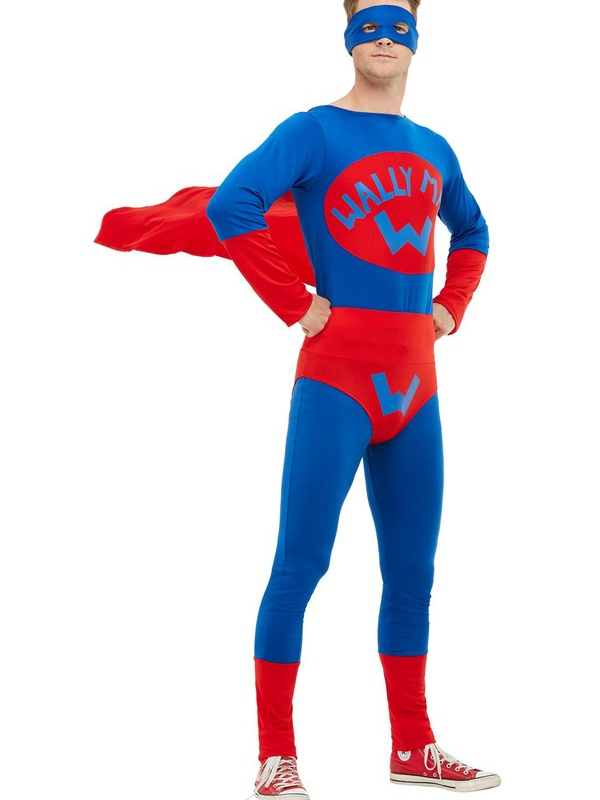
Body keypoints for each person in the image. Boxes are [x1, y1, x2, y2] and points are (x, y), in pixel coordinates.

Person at [96, 1, 499, 796]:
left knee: (411, 573)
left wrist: (452, 306)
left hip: (416, 388)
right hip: (336, 382)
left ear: (418, 39)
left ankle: (413, 748)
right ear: (348, 34)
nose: (383, 38)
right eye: (369, 22)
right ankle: (275, 758)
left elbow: (475, 231)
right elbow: (231, 205)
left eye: (398, 24)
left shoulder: (434, 149)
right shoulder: (313, 131)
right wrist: (294, 303)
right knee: (301, 564)